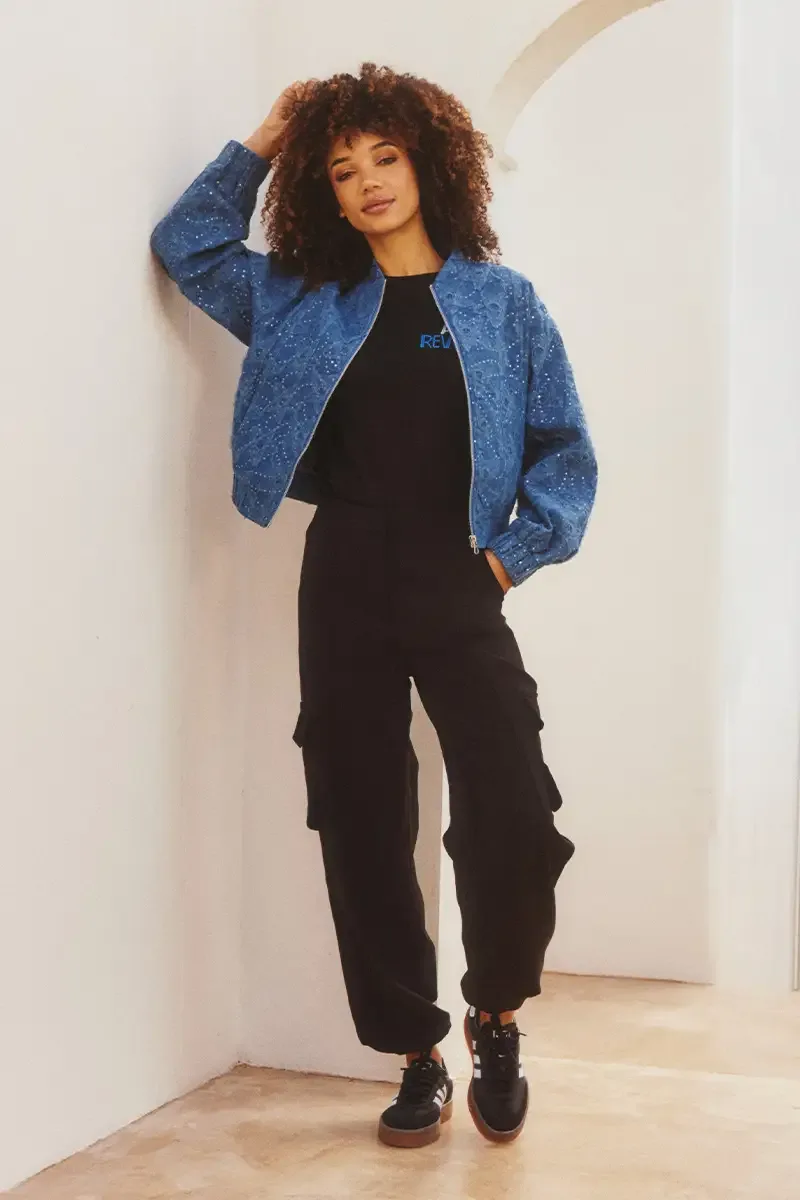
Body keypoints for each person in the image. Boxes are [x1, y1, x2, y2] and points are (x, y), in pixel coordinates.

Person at [150, 61, 598, 1150]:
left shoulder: (500, 302)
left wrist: (507, 561)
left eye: (383, 157)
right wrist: (266, 139)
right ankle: (413, 1053)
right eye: (342, 170)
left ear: (429, 163)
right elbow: (189, 246)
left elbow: (562, 449)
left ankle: (495, 1013)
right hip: (344, 573)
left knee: (512, 809)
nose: (367, 183)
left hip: (460, 577)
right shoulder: (300, 297)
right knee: (358, 816)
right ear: (326, 193)